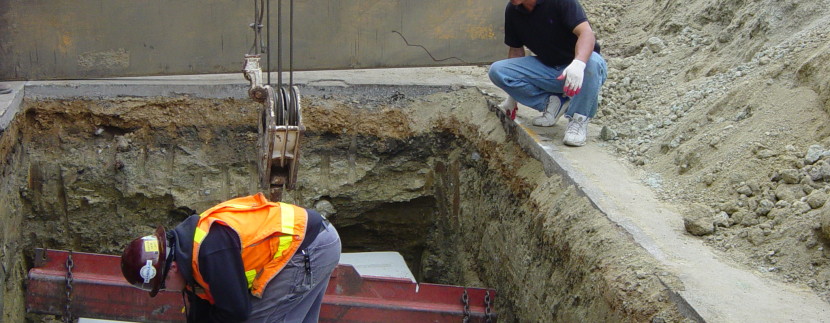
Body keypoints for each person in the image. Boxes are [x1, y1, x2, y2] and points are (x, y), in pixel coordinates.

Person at [120, 193, 341, 323]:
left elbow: (235, 312)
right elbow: (201, 308)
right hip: (309, 240)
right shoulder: (187, 251)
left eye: (164, 285)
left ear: (172, 268)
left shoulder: (211, 250)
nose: (169, 290)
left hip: (310, 246)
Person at [489, 0, 608, 147]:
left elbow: (586, 33)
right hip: (551, 70)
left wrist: (578, 63)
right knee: (498, 71)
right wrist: (512, 97)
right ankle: (552, 103)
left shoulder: (560, 2)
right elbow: (516, 50)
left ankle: (578, 120)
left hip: (581, 71)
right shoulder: (513, 10)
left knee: (593, 62)